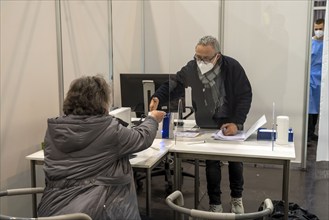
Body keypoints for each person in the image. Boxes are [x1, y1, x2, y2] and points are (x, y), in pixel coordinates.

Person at [38, 75, 165, 220]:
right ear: (102, 101)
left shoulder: (54, 130)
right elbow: (143, 137)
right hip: (96, 211)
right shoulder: (109, 130)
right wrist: (152, 119)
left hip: (53, 212)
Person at [149, 36, 252, 213]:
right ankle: (215, 204)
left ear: (217, 56)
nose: (201, 61)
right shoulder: (192, 68)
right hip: (207, 123)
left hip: (232, 121)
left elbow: (245, 95)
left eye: (206, 58)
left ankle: (237, 199)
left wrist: (236, 122)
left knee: (235, 162)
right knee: (211, 164)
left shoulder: (232, 67)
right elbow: (174, 84)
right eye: (198, 57)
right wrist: (158, 96)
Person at [308, 18, 325, 143]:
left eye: (321, 29)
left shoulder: (326, 43)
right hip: (311, 78)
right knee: (309, 108)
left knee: (318, 107)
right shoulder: (310, 43)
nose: (318, 31)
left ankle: (313, 132)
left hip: (322, 79)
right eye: (316, 29)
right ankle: (307, 134)